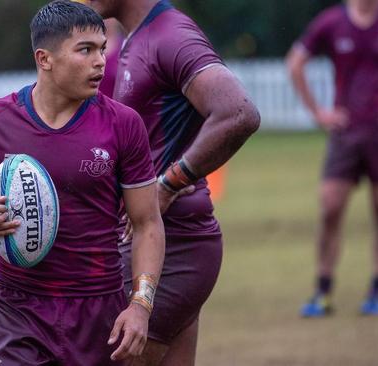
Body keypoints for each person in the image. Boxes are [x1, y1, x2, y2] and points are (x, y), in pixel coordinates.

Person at [0, 1, 166, 364]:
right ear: (45, 58)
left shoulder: (123, 124)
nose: (100, 61)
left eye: (102, 49)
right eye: (85, 50)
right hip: (17, 308)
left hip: (97, 309)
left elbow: (147, 223)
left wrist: (140, 304)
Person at [88, 1, 261, 365]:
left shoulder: (170, 36)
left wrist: (167, 184)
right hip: (167, 242)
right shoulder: (139, 37)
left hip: (175, 242)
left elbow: (239, 112)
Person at [287, 0, 378, 317]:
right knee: (330, 207)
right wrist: (318, 113)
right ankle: (323, 290)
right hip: (345, 132)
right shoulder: (332, 21)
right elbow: (295, 61)